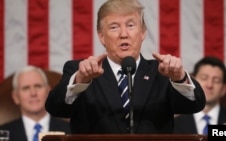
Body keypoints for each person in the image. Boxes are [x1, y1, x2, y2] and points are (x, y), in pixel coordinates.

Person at [45, 0, 205, 134]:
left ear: (142, 33)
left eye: (130, 25)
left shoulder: (162, 72)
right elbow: (55, 108)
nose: (123, 34)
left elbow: (195, 105)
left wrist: (179, 78)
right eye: (114, 27)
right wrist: (80, 80)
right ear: (101, 36)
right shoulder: (80, 72)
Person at [173, 56, 226, 135]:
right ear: (192, 83)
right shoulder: (173, 126)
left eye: (216, 80)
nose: (209, 85)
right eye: (204, 78)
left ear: (223, 89)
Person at [0, 66, 70, 141]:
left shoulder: (71, 131)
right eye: (26, 88)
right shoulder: (2, 134)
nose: (33, 93)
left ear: (48, 92)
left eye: (38, 86)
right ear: (16, 97)